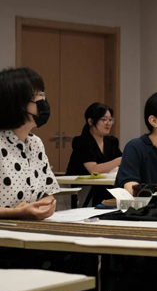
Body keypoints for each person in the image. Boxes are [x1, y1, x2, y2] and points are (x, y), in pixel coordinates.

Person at [0, 67, 59, 220]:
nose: (43, 101)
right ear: (16, 104)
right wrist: (16, 213)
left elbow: (48, 192)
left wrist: (46, 205)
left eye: (42, 95)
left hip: (28, 227)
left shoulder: (35, 143)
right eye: (37, 96)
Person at [66, 102, 122, 175]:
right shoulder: (81, 142)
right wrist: (119, 160)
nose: (108, 123)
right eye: (104, 119)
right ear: (90, 121)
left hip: (106, 181)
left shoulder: (112, 141)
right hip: (82, 182)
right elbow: (93, 170)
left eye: (110, 120)